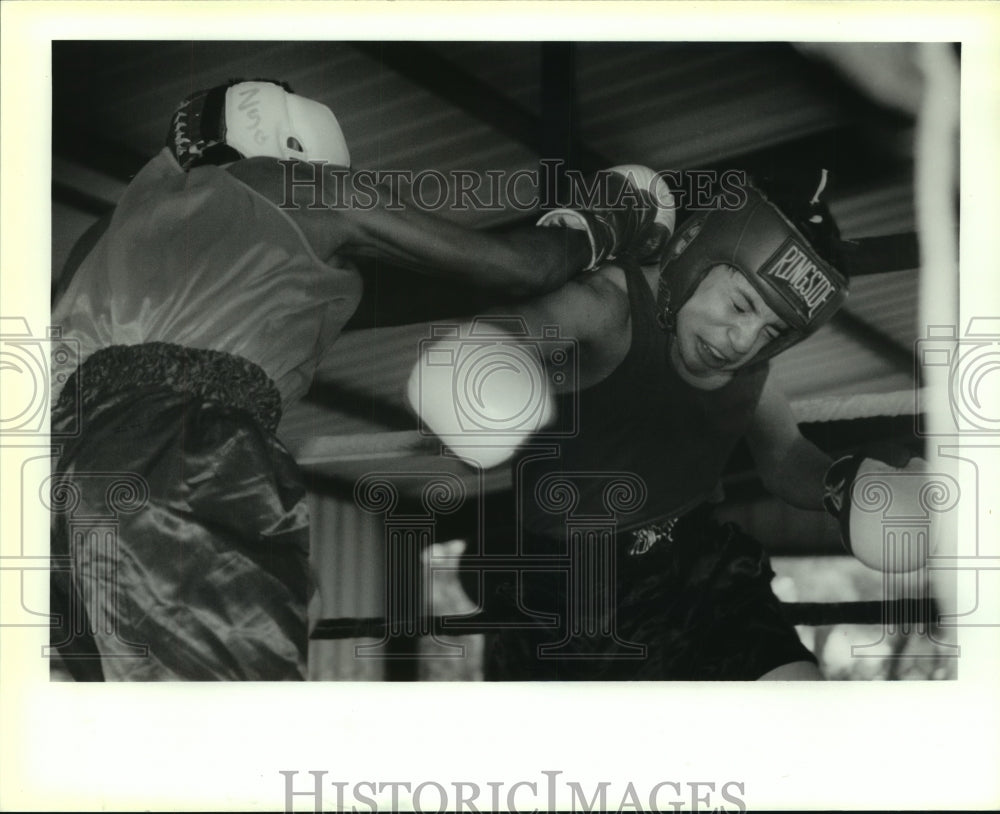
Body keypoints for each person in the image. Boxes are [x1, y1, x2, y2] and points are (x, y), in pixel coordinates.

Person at [48, 78, 674, 681]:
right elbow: (516, 268)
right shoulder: (293, 186)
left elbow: (394, 296)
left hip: (64, 487)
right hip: (188, 461)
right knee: (227, 718)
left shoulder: (109, 238)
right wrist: (607, 220)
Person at [410, 170, 922, 681]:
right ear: (697, 256)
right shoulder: (612, 305)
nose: (744, 340)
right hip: (569, 591)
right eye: (741, 304)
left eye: (771, 330)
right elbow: (522, 326)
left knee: (797, 702)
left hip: (698, 569)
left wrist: (844, 483)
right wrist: (491, 358)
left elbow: (785, 453)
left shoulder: (748, 366)